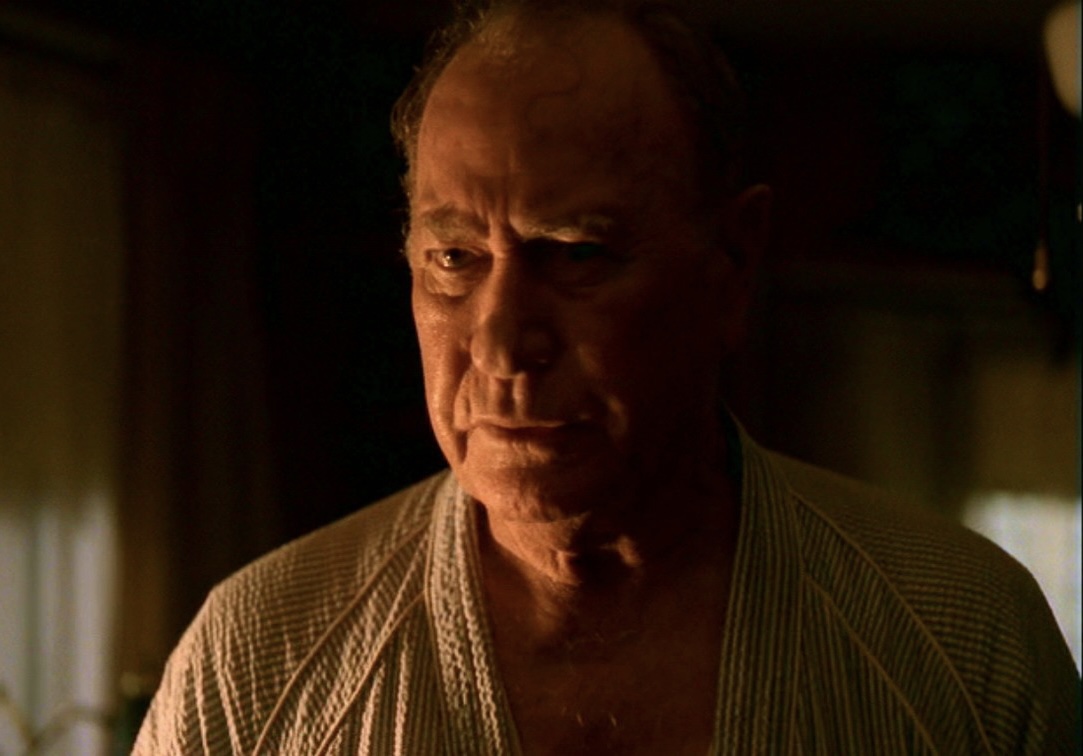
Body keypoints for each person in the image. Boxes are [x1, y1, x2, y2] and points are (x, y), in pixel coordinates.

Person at [133, 1, 1082, 753]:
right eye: (454, 258)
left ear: (730, 264)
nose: (501, 343)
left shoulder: (962, 644)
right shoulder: (258, 662)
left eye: (576, 253)